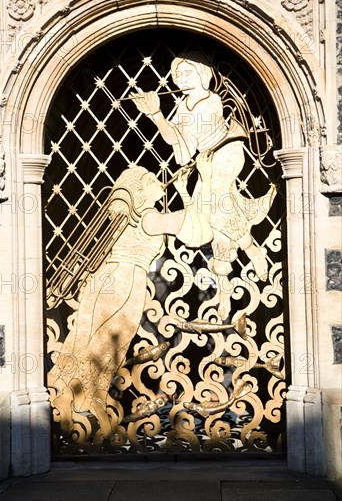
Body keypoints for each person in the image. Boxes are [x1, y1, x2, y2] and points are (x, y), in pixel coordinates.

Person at [48, 163, 213, 445]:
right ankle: (77, 400)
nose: (159, 184)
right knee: (106, 344)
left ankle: (86, 399)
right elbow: (200, 230)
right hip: (123, 283)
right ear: (139, 189)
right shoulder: (148, 218)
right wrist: (190, 189)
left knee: (96, 342)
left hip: (110, 280)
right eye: (151, 180)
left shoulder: (128, 216)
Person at [130, 52, 276, 320]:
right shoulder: (184, 105)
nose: (182, 80)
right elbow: (178, 140)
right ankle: (228, 286)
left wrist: (166, 121)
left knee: (215, 202)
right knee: (212, 218)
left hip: (226, 150)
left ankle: (249, 250)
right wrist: (156, 114)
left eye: (188, 74)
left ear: (203, 75)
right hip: (206, 160)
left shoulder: (211, 101)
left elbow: (192, 139)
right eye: (178, 76)